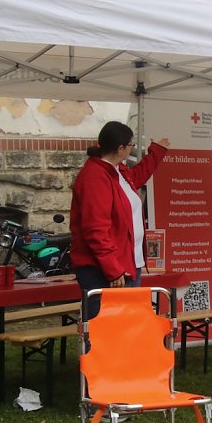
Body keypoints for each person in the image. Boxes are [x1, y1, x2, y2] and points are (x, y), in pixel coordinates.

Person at [69, 121, 169, 316]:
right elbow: (95, 229)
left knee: (127, 328)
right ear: (120, 148)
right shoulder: (95, 177)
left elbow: (138, 175)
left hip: (126, 264)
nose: (131, 149)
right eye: (130, 145)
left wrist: (157, 151)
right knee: (106, 332)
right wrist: (113, 269)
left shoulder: (117, 170)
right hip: (106, 270)